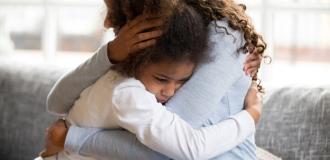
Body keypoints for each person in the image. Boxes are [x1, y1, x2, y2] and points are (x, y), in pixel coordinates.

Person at [42, 0, 265, 159]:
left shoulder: (223, 33)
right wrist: (109, 53)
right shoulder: (159, 25)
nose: (107, 23)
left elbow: (173, 148)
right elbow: (56, 102)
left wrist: (72, 138)